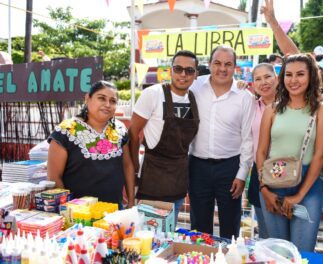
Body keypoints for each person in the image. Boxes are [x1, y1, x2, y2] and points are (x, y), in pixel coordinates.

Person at [256, 54, 323, 251]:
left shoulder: (322, 109)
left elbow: (321, 155)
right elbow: (262, 151)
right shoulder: (272, 109)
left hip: (308, 185)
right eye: (288, 74)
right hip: (272, 181)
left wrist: (299, 195)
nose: (293, 80)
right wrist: (264, 189)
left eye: (300, 74)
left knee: (302, 251)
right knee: (278, 252)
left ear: (311, 77)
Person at [188, 45, 254, 239]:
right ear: (209, 64)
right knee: (199, 227)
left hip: (230, 168)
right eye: (217, 63)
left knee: (230, 227)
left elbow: (247, 139)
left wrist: (242, 174)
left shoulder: (245, 96)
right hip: (197, 166)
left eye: (228, 64)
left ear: (235, 67)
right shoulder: (194, 86)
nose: (222, 69)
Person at [129, 50, 199, 220]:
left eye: (189, 70)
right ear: (170, 71)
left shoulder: (194, 98)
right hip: (154, 179)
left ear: (196, 74)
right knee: (149, 235)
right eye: (178, 69)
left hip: (179, 180)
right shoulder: (153, 94)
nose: (183, 74)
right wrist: (134, 166)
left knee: (169, 233)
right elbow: (133, 132)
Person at [47, 81, 135, 207]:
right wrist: (67, 210)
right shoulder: (66, 130)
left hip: (115, 213)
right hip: (79, 216)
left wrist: (131, 202)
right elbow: (54, 177)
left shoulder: (119, 129)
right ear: (87, 98)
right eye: (101, 98)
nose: (107, 105)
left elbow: (127, 166)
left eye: (113, 101)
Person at [247, 63, 278, 239]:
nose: (263, 82)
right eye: (258, 79)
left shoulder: (291, 104)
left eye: (267, 76)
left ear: (277, 78)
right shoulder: (251, 105)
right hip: (259, 171)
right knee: (267, 234)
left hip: (287, 171)